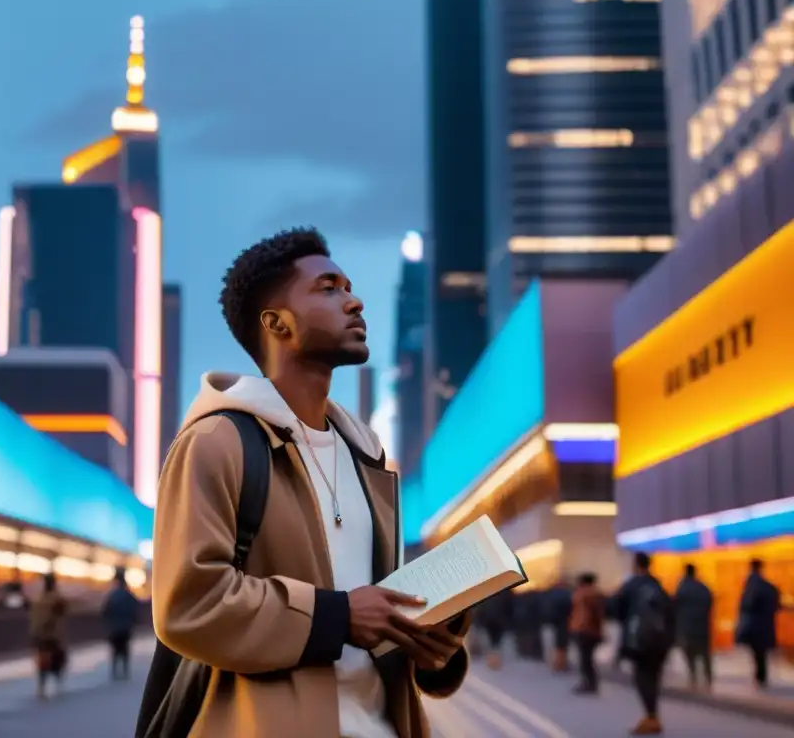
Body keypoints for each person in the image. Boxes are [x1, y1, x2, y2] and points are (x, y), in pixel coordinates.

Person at [150, 228, 470, 738]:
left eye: (349, 286)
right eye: (329, 288)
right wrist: (337, 616)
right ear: (277, 323)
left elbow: (374, 621)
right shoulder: (217, 442)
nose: (354, 300)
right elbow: (190, 603)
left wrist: (428, 644)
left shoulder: (370, 459)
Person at [613, 551, 673, 736]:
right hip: (660, 640)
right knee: (654, 676)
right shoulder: (659, 586)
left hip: (639, 640)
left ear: (636, 564)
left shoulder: (632, 585)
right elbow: (670, 612)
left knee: (642, 677)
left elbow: (618, 609)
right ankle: (653, 715)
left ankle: (651, 716)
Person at [735, 558, 780, 689]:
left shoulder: (751, 585)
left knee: (758, 653)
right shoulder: (766, 586)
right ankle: (761, 678)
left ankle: (760, 678)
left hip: (754, 624)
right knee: (760, 653)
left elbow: (747, 605)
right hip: (764, 624)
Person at [674, 563, 713, 689]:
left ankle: (693, 677)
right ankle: (708, 677)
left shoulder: (682, 588)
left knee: (690, 653)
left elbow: (675, 606)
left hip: (687, 627)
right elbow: (710, 602)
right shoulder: (703, 587)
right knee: (705, 653)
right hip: (702, 626)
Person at [30, 573, 68, 698]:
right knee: (57, 659)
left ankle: (41, 687)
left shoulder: (37, 599)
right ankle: (57, 682)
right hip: (52, 635)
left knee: (43, 661)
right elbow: (64, 608)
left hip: (39, 634)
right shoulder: (55, 598)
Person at [568, 573, 605, 695]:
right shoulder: (595, 594)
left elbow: (584, 615)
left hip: (584, 629)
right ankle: (590, 683)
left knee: (585, 659)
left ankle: (588, 683)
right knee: (587, 659)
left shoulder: (584, 594)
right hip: (590, 630)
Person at [102, 568, 139, 680]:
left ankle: (115, 671)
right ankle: (124, 670)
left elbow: (105, 611)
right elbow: (135, 609)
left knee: (115, 649)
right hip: (126, 627)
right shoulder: (129, 595)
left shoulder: (112, 595)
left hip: (114, 627)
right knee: (125, 648)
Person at [544, 580, 573, 672]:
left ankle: (557, 663)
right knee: (563, 644)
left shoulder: (551, 595)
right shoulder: (568, 594)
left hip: (555, 622)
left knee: (557, 643)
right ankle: (562, 663)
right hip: (566, 622)